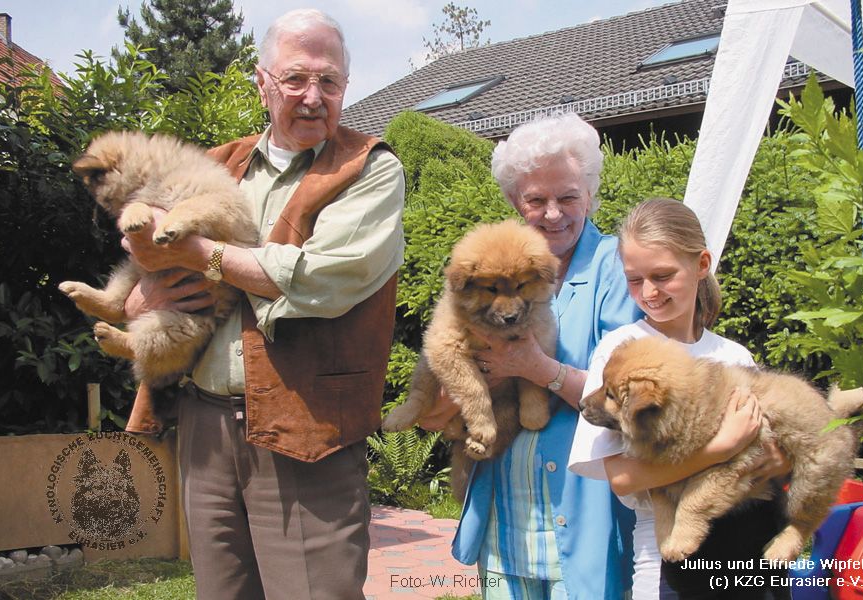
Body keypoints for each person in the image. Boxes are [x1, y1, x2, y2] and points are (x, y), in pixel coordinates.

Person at [118, 9, 405, 600]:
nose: (312, 96)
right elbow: (145, 252)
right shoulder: (215, 165)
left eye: (329, 82)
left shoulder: (369, 169)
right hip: (204, 425)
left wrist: (200, 253)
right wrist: (142, 296)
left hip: (309, 432)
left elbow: (318, 280)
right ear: (262, 82)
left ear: (345, 88)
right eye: (295, 79)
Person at [419, 113, 756, 599]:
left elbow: (627, 400)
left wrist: (537, 369)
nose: (553, 213)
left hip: (586, 507)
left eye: (568, 197)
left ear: (591, 195)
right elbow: (447, 378)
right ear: (516, 201)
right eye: (536, 199)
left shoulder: (620, 270)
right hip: (507, 504)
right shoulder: (491, 265)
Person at [568, 198, 790, 600]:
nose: (648, 291)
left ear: (702, 265)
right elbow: (622, 477)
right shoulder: (622, 352)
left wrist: (776, 457)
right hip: (668, 558)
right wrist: (724, 446)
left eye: (662, 275)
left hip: (750, 553)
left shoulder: (733, 357)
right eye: (634, 279)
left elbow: (776, 457)